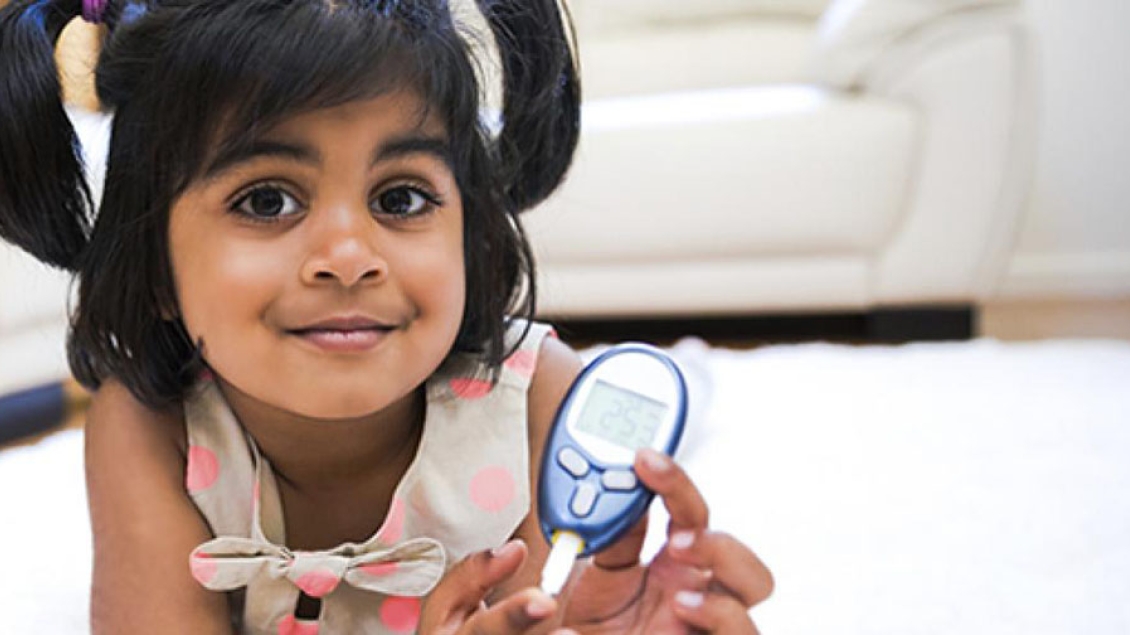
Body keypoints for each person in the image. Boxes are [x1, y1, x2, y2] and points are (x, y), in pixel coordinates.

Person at [0, 0, 773, 632]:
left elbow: (563, 614)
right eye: (266, 200)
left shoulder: (543, 407)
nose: (347, 255)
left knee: (671, 399)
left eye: (400, 198)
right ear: (155, 264)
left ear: (468, 231)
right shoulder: (151, 425)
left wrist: (617, 621)